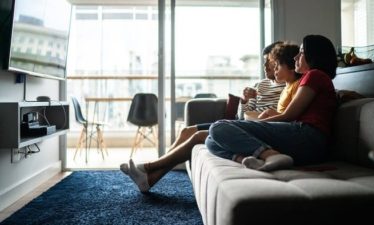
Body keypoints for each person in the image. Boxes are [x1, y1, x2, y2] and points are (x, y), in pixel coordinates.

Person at [120, 41, 285, 193]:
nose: (265, 65)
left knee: (198, 136)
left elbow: (280, 115)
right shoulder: (260, 85)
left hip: (253, 128)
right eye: (264, 61)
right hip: (241, 124)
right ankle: (151, 174)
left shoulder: (286, 86)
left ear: (278, 61)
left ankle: (149, 171)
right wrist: (245, 100)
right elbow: (242, 115)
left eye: (269, 61)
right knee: (186, 131)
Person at [205, 34, 338, 172]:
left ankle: (271, 155)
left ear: (314, 56)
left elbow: (289, 115)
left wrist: (255, 124)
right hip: (302, 140)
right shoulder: (313, 78)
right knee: (210, 140)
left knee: (218, 127)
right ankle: (250, 159)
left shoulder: (315, 75)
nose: (296, 57)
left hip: (308, 138)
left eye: (302, 52)